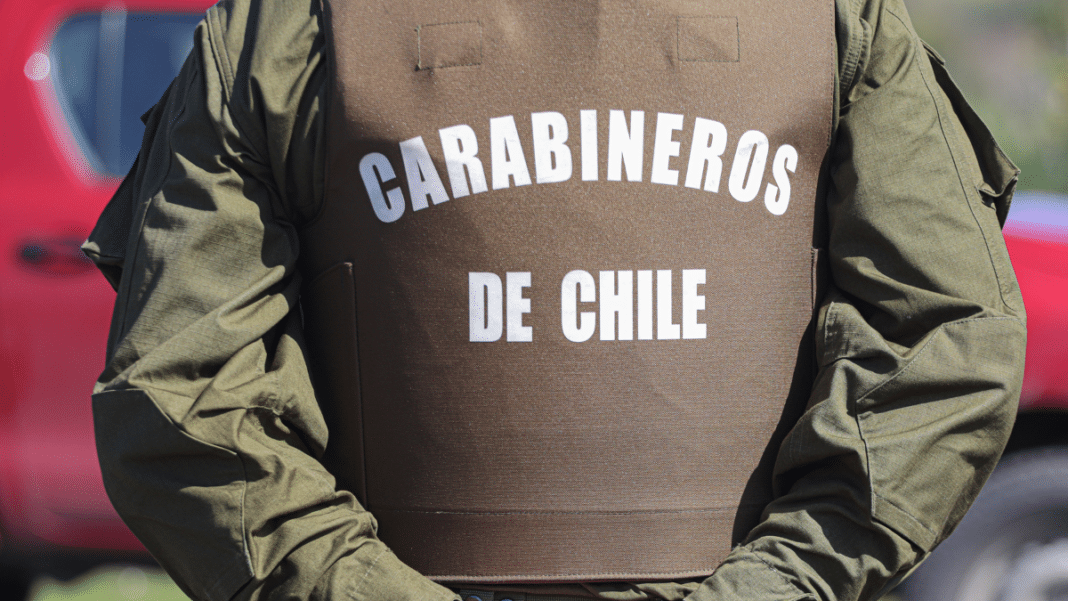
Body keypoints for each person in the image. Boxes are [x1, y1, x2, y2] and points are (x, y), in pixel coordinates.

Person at [82, 0, 1026, 599]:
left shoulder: (287, 25)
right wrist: (781, 582)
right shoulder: (831, 16)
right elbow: (948, 339)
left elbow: (178, 392)